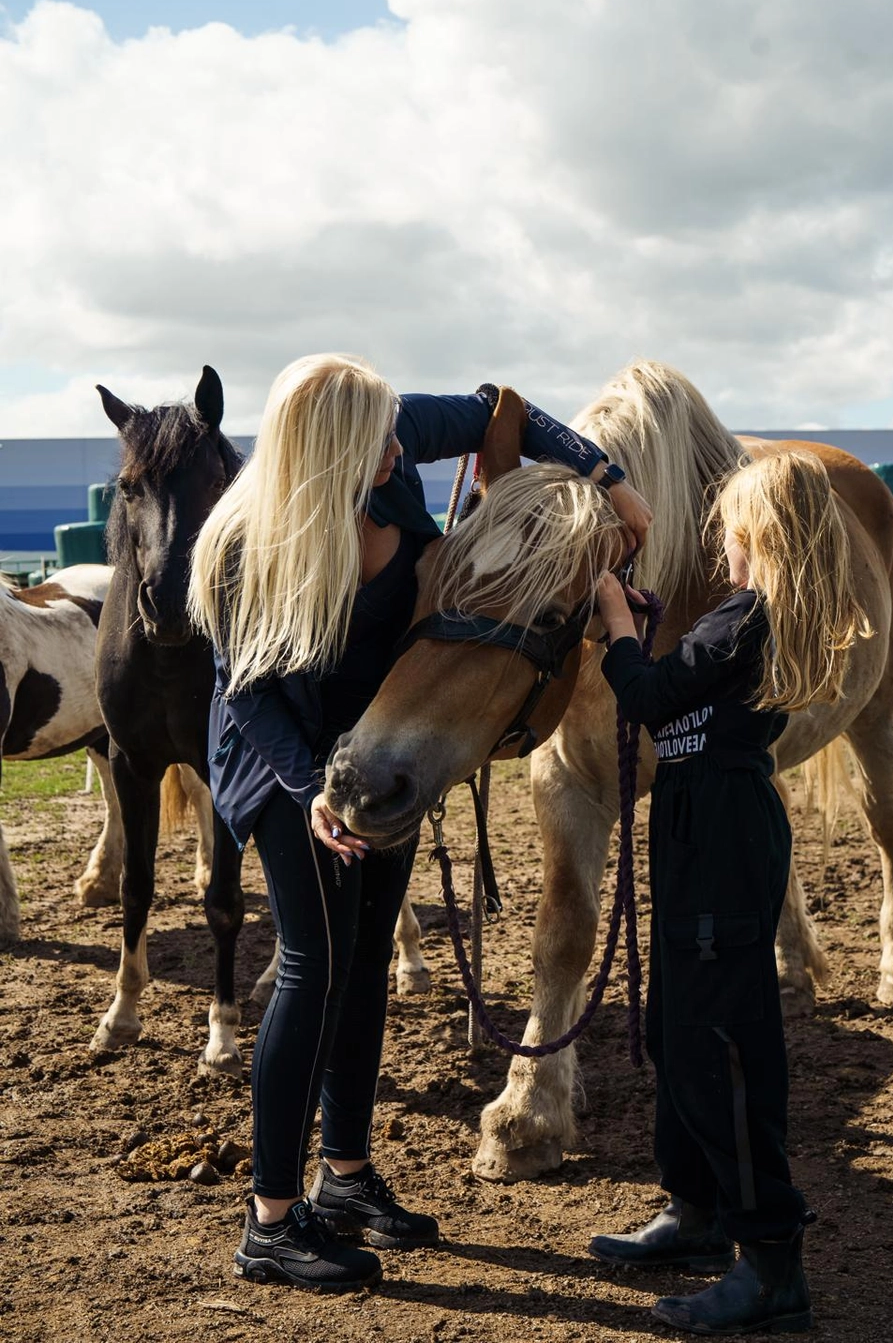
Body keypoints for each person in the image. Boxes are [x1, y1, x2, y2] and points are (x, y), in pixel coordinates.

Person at [188, 353, 652, 1294]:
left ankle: (347, 1178)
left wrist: (611, 483)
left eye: (398, 432)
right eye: (382, 441)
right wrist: (310, 788)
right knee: (314, 968)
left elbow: (500, 413)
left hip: (389, 744)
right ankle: (271, 1220)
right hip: (287, 763)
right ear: (326, 455)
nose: (403, 447)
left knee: (365, 965)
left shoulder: (387, 446)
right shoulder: (246, 545)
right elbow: (249, 697)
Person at [590, 449, 872, 1336]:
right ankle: (695, 1208)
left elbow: (648, 694)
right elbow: (684, 694)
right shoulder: (740, 622)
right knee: (680, 1025)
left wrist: (614, 624)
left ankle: (769, 1261)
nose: (717, 542)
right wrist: (643, 633)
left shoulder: (746, 616)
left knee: (721, 1045)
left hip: (717, 831)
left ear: (752, 536)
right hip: (702, 824)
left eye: (725, 529)